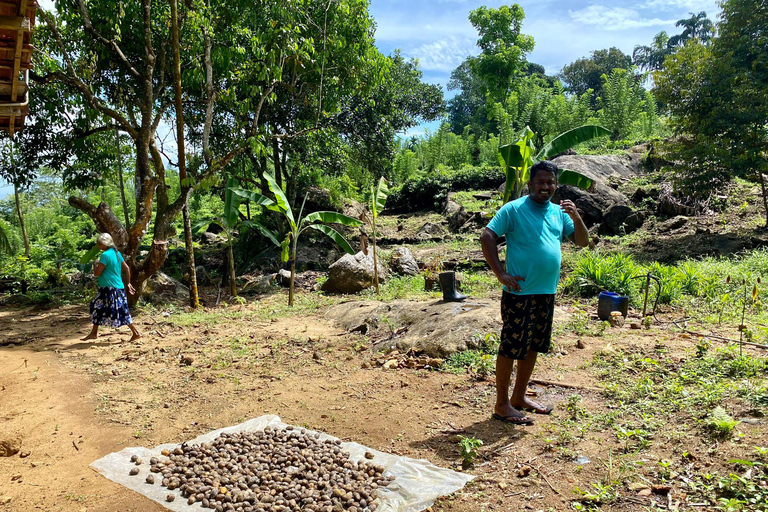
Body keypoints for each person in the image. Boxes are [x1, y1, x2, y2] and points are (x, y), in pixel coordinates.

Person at [480, 161, 588, 425]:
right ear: (531, 184)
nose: (545, 186)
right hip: (520, 292)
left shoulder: (559, 213)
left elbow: (583, 243)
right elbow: (487, 236)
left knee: (533, 346)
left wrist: (576, 217)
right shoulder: (514, 209)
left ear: (556, 185)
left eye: (550, 182)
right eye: (540, 182)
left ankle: (519, 397)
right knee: (510, 347)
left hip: (546, 292)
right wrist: (500, 273)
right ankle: (502, 405)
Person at [81, 233, 141, 342]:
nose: (98, 246)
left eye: (99, 244)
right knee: (99, 308)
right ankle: (93, 333)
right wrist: (128, 283)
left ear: (103, 244)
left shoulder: (105, 255)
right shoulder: (116, 253)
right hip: (117, 287)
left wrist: (95, 264)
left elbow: (97, 273)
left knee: (115, 309)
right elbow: (127, 268)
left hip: (109, 288)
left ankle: (135, 332)